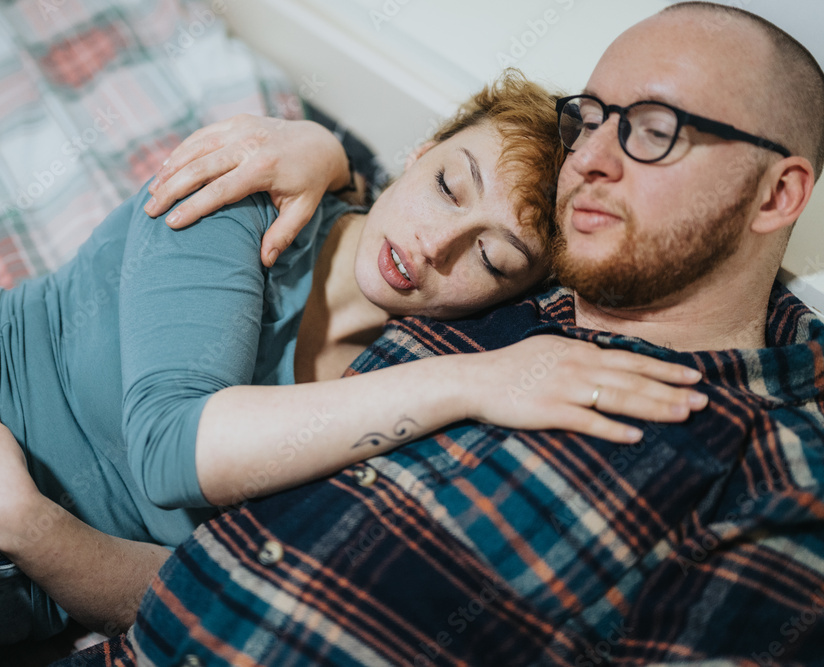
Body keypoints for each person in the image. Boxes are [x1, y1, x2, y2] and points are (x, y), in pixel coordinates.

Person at [0, 72, 704, 667]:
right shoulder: (248, 194)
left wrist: (31, 529)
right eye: (448, 184)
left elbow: (203, 585)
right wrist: (476, 380)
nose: (437, 245)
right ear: (419, 150)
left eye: (494, 256)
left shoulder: (392, 411)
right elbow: (171, 446)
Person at [45, 2, 824, 664]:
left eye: (654, 130)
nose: (588, 158)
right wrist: (323, 151)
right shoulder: (490, 302)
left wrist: (33, 530)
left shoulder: (774, 476)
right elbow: (419, 204)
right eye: (589, 119)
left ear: (775, 194)